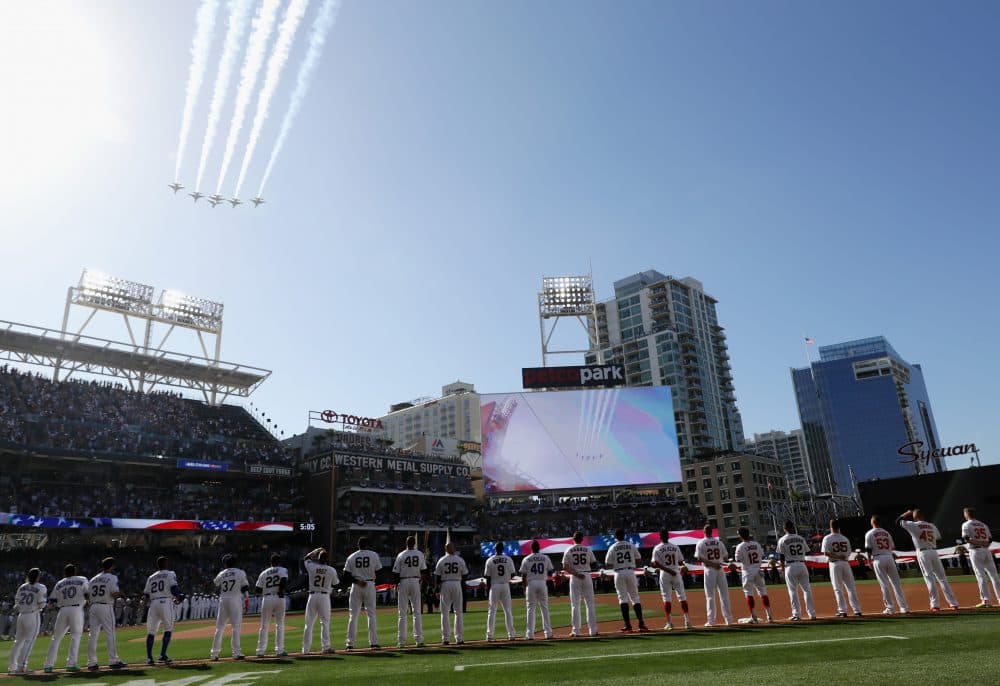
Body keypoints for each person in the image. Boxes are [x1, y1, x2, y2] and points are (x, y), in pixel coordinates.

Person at [898, 508, 959, 611]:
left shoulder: (913, 525)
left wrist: (906, 513)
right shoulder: (932, 525)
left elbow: (899, 521)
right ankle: (953, 603)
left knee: (929, 578)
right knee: (942, 578)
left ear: (915, 516)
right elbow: (939, 538)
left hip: (923, 552)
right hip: (933, 551)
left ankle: (935, 605)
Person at [43, 564, 90, 673]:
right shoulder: (82, 579)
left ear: (65, 573)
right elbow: (87, 594)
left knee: (56, 638)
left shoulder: (60, 583)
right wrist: (88, 602)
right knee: (75, 636)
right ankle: (71, 663)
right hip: (76, 609)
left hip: (63, 610)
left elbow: (52, 600)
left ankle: (48, 665)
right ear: (75, 571)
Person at [86, 557, 127, 671]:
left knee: (92, 635)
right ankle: (113, 660)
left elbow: (88, 596)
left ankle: (91, 663)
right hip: (105, 606)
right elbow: (114, 594)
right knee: (110, 633)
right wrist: (122, 594)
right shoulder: (112, 577)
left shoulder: (93, 579)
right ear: (112, 566)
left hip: (93, 606)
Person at [142, 556, 184, 665]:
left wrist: (146, 605)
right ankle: (162, 655)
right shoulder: (170, 574)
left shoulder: (151, 577)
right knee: (168, 629)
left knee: (151, 632)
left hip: (153, 603)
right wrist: (179, 596)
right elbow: (174, 588)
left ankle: (149, 658)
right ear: (166, 563)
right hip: (165, 602)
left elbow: (146, 594)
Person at [864, 515, 909, 615]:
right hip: (889, 557)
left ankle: (890, 608)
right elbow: (892, 547)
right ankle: (904, 607)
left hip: (878, 558)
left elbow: (868, 549)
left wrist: (868, 561)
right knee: (896, 584)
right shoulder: (886, 533)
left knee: (884, 584)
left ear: (873, 522)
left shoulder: (870, 533)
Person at [604, 529, 648, 632]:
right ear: (624, 535)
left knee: (623, 599)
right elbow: (638, 559)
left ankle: (628, 625)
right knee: (635, 598)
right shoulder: (630, 545)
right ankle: (641, 624)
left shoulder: (613, 547)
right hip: (630, 571)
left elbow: (608, 563)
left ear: (616, 537)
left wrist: (617, 564)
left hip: (618, 573)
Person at [344, 537, 383, 650]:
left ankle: (350, 644)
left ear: (358, 545)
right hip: (369, 584)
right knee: (371, 614)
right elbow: (380, 571)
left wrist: (357, 581)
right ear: (367, 545)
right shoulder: (374, 555)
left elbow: (345, 576)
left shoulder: (351, 556)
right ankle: (373, 643)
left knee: (353, 616)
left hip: (356, 585)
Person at [7, 568, 47, 675]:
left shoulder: (22, 587)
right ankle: (21, 667)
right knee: (29, 641)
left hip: (21, 615)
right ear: (38, 576)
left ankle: (12, 667)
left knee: (18, 642)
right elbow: (42, 604)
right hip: (33, 615)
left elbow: (16, 603)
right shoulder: (41, 587)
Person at [209, 555, 249, 661]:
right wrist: (246, 599)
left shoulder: (222, 573)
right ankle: (236, 653)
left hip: (223, 600)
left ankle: (214, 653)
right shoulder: (240, 572)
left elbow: (215, 583)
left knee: (219, 628)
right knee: (236, 627)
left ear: (225, 564)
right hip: (235, 600)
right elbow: (245, 587)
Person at [651, 529, 692, 630]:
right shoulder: (675, 547)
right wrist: (681, 569)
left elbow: (655, 563)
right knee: (682, 597)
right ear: (668, 536)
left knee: (667, 599)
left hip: (665, 573)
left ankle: (669, 623)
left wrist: (667, 569)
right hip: (676, 572)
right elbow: (681, 561)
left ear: (660, 537)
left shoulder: (657, 548)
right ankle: (687, 621)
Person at [821, 520, 862, 618]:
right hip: (845, 563)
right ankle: (857, 610)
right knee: (851, 587)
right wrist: (842, 557)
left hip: (835, 564)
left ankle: (842, 610)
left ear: (830, 527)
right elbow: (848, 552)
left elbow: (825, 553)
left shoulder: (827, 538)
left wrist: (837, 557)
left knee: (838, 588)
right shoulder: (844, 538)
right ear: (839, 527)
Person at [961, 507, 1000, 608]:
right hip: (986, 551)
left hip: (975, 550)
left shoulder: (966, 524)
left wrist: (979, 543)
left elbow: (966, 539)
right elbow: (990, 539)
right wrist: (985, 544)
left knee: (981, 575)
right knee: (994, 576)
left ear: (966, 514)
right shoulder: (983, 524)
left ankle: (986, 601)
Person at [562, 531, 599, 637]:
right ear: (582, 539)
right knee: (590, 604)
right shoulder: (587, 549)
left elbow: (565, 567)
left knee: (575, 605)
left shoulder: (569, 549)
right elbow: (594, 564)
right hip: (586, 575)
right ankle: (593, 631)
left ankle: (576, 631)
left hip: (575, 576)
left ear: (573, 539)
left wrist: (577, 573)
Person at [302, 547, 338, 654]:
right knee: (325, 623)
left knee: (308, 624)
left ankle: (305, 650)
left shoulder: (312, 567)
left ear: (318, 558)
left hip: (312, 596)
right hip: (324, 597)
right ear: (327, 560)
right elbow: (336, 584)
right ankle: (326, 647)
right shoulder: (331, 570)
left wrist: (316, 550)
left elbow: (306, 558)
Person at [392, 536, 427, 648]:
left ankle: (401, 641)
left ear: (406, 543)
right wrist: (421, 580)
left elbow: (396, 573)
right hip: (415, 580)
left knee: (402, 613)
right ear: (414, 543)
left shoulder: (401, 555)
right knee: (417, 612)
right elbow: (424, 571)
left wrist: (396, 584)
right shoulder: (419, 554)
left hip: (403, 581)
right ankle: (419, 640)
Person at [695, 523, 732, 627]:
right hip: (720, 569)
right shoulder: (718, 542)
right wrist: (717, 562)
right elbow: (725, 557)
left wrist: (712, 563)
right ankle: (728, 620)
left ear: (704, 532)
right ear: (712, 531)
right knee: (724, 595)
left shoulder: (701, 542)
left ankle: (711, 621)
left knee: (710, 596)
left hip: (709, 569)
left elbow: (699, 558)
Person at [777, 521, 815, 621]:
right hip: (802, 564)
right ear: (793, 527)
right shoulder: (801, 538)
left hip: (790, 565)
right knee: (807, 590)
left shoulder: (782, 540)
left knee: (793, 591)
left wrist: (782, 569)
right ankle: (812, 613)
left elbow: (781, 557)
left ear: (784, 528)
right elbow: (807, 551)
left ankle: (796, 614)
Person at [734, 528, 773, 624]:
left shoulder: (740, 546)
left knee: (749, 593)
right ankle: (769, 616)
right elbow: (762, 555)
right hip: (758, 569)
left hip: (747, 571)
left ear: (740, 535)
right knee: (763, 592)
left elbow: (738, 559)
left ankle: (754, 616)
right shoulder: (756, 544)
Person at [434, 541, 468, 645]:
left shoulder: (441, 560)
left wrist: (437, 590)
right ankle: (459, 638)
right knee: (458, 612)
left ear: (445, 549)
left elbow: (437, 578)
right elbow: (465, 575)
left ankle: (446, 639)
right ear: (453, 548)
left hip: (445, 584)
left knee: (445, 613)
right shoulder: (459, 559)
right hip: (456, 583)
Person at [519, 539, 554, 640]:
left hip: (531, 583)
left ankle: (530, 634)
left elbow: (523, 575)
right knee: (544, 608)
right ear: (539, 548)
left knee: (530, 609)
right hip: (542, 582)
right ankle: (548, 633)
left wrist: (524, 587)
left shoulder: (526, 558)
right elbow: (551, 572)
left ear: (531, 548)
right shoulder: (545, 557)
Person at [255, 553, 289, 657]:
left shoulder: (264, 572)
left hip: (267, 598)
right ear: (279, 562)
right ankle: (279, 650)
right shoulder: (282, 569)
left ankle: (260, 651)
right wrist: (280, 590)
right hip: (279, 598)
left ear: (271, 562)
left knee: (264, 625)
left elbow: (257, 589)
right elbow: (283, 580)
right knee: (279, 624)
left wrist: (267, 591)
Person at [483, 541, 517, 641]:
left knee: (492, 611)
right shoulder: (508, 559)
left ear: (495, 549)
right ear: (503, 549)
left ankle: (489, 635)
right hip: (505, 585)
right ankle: (511, 635)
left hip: (494, 586)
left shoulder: (490, 560)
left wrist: (488, 589)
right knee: (508, 611)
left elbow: (487, 577)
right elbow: (512, 574)